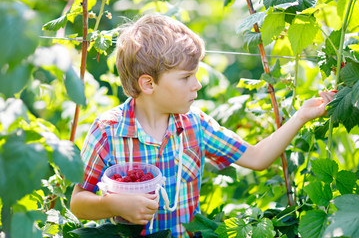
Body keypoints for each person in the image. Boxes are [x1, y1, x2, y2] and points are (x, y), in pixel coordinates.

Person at [70, 13, 334, 237]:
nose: (197, 84)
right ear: (149, 84)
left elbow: (256, 157)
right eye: (186, 77)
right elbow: (78, 203)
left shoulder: (195, 125)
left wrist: (301, 116)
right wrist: (116, 205)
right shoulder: (108, 131)